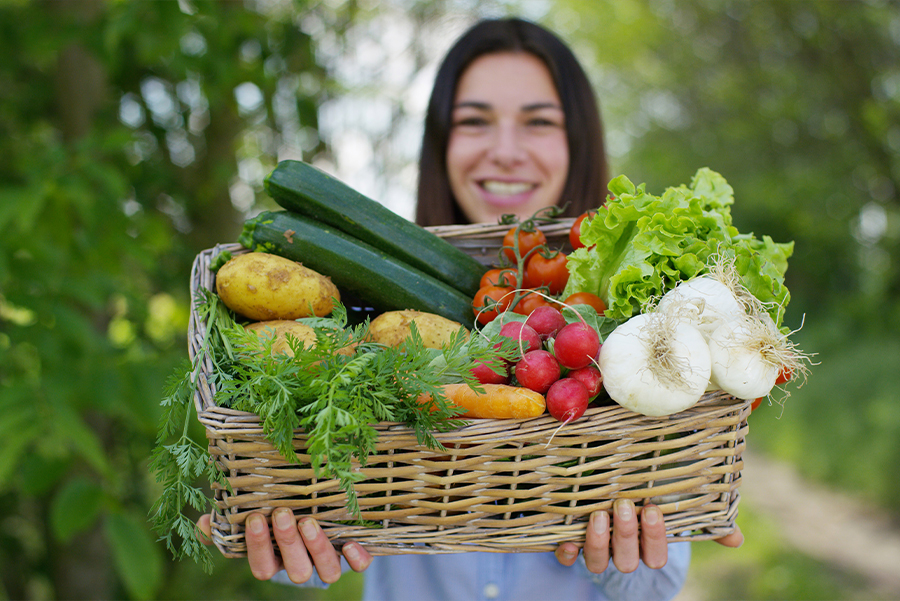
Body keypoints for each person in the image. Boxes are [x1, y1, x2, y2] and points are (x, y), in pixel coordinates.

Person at [198, 17, 744, 601]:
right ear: (441, 143)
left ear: (577, 141)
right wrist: (294, 543)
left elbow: (654, 588)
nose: (505, 151)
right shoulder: (358, 309)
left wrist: (627, 560)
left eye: (538, 122)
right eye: (474, 121)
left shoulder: (635, 329)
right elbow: (315, 498)